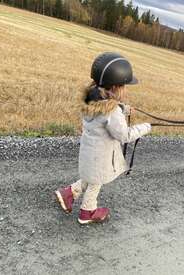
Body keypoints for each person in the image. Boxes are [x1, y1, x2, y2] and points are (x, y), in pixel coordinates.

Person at [54, 52, 151, 224]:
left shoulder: (92, 98)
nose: (125, 89)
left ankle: (69, 193)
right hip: (101, 157)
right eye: (124, 85)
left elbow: (106, 111)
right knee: (95, 182)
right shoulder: (111, 111)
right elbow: (124, 135)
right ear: (115, 88)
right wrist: (146, 127)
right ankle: (87, 212)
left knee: (91, 177)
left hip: (90, 151)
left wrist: (124, 109)